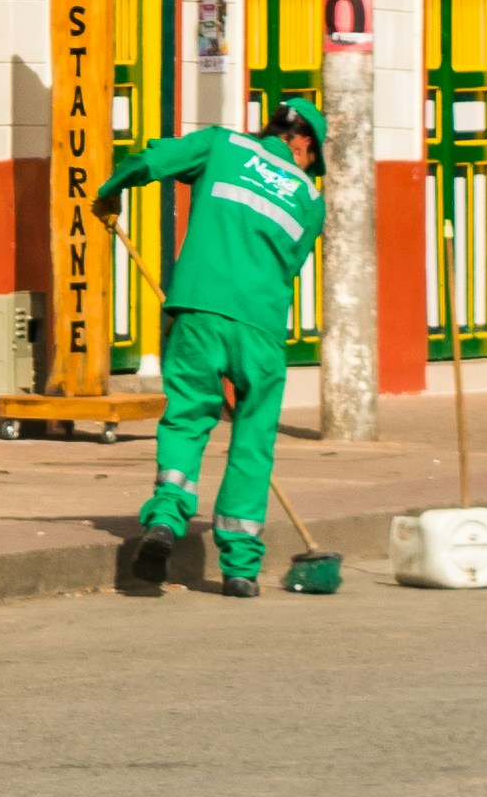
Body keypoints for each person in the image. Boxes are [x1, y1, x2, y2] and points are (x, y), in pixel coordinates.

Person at [97, 99, 326, 593]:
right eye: (314, 158)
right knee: (253, 438)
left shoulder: (222, 144)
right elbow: (290, 266)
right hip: (261, 327)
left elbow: (151, 161)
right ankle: (240, 567)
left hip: (199, 308)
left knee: (187, 416)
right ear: (304, 145)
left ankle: (165, 519)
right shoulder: (310, 198)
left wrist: (110, 193)